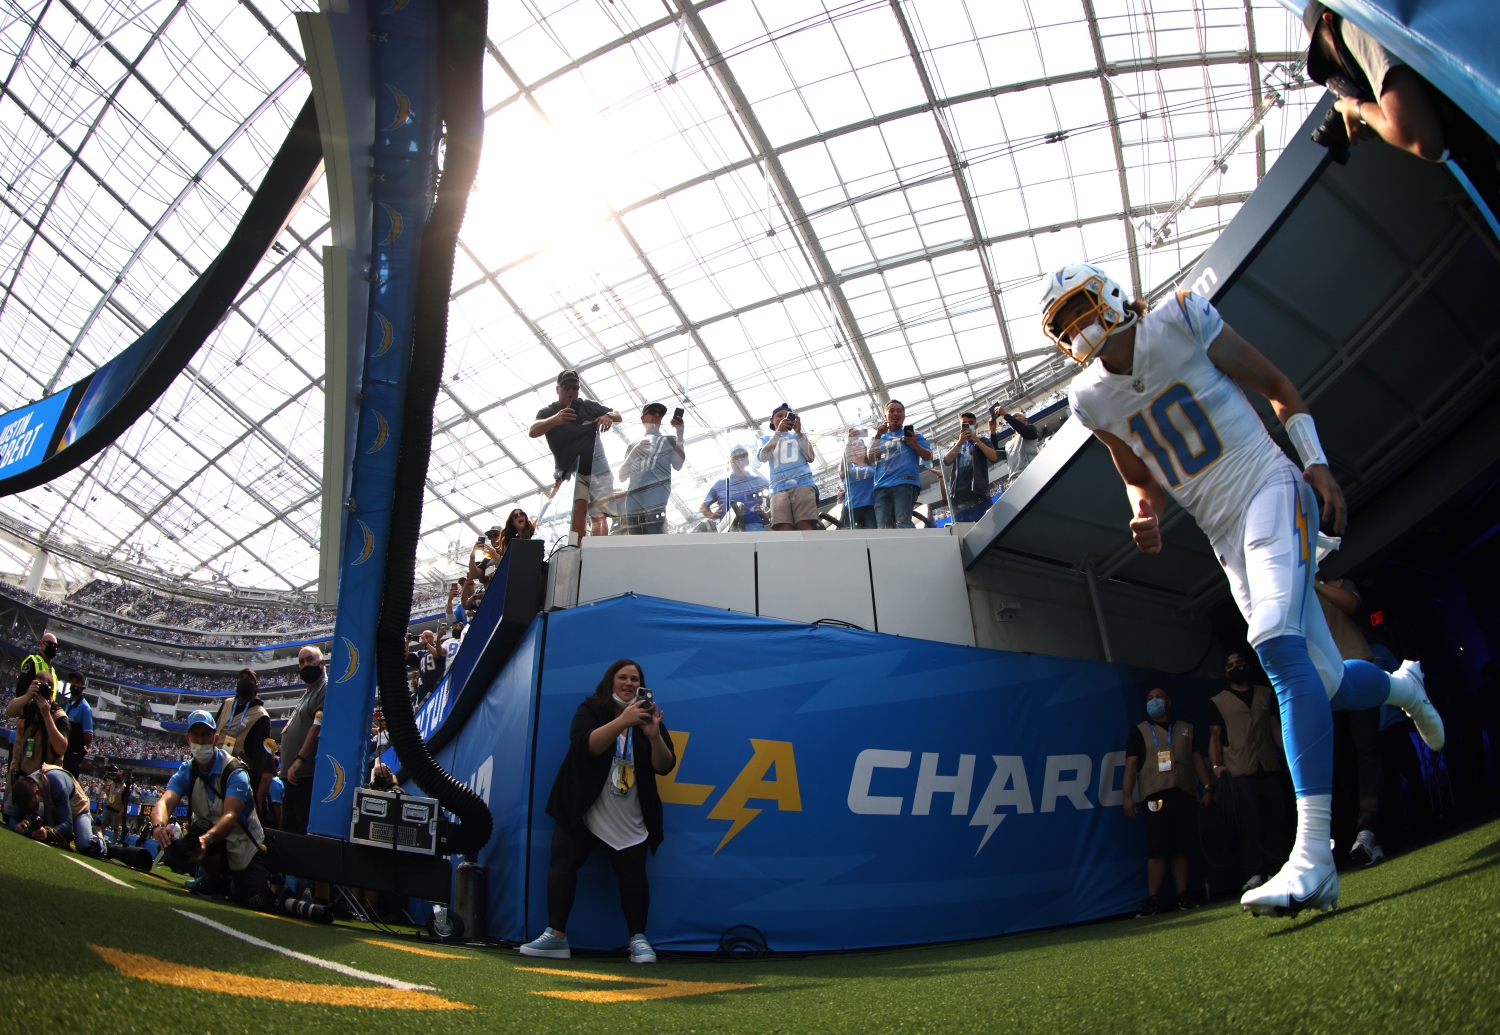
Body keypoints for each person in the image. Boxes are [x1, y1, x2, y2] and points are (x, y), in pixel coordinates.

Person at [1045, 261, 1444, 916]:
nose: (1078, 330)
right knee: (1331, 683)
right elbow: (1137, 471)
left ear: (1111, 298)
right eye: (1064, 325)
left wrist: (1314, 461)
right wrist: (1144, 511)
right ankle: (1403, 685)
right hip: (1222, 532)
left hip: (1267, 486)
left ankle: (1315, 857)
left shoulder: (1178, 317)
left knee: (1276, 650)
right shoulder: (1090, 398)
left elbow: (1279, 386)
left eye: (1081, 310)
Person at [520, 659, 676, 964]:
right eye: (623, 677)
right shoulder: (592, 708)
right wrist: (623, 720)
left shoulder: (649, 719)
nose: (629, 683)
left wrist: (654, 735)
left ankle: (638, 940)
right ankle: (556, 936)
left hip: (630, 814)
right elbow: (584, 745)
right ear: (611, 681)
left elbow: (665, 766)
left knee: (633, 875)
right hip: (584, 807)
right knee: (563, 862)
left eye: (635, 679)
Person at [150, 710, 276, 911]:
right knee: (200, 827)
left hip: (246, 850)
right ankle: (214, 880)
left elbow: (231, 816)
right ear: (188, 738)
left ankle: (241, 884)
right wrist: (158, 826)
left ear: (215, 738)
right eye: (195, 735)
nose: (200, 740)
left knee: (256, 900)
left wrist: (206, 839)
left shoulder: (234, 771)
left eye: (206, 735)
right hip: (212, 847)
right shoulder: (187, 770)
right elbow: (164, 802)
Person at [1316, 573, 1386, 867]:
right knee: (1344, 762)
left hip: (1356, 668)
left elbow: (1353, 605)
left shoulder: (1338, 584)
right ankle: (1361, 834)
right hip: (1327, 685)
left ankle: (1370, 830)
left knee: (1367, 749)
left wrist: (1316, 584)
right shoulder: (1295, 596)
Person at [1123, 687, 1212, 915]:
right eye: (1149, 698)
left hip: (1183, 792)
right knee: (1158, 848)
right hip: (1155, 795)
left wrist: (1208, 787)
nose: (1154, 701)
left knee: (1182, 846)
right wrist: (1127, 796)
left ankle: (1182, 896)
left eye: (1158, 697)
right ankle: (1153, 899)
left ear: (1169, 702)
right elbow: (1131, 766)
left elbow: (1197, 760)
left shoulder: (1185, 729)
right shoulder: (1139, 731)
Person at [1209, 652, 1292, 893]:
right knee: (1251, 821)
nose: (1237, 667)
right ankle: (1254, 873)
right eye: (1231, 665)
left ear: (1248, 666)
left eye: (1240, 663)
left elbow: (1275, 726)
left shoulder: (1265, 693)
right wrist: (1217, 766)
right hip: (1240, 770)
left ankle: (1279, 867)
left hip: (1268, 765)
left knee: (1276, 818)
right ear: (1226, 673)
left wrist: (1286, 754)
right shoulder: (1218, 701)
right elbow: (1215, 737)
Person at [530, 369, 622, 537]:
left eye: (575, 387)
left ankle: (596, 551)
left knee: (599, 515)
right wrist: (556, 419)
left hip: (597, 470)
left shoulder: (587, 406)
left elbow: (617, 414)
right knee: (578, 510)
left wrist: (608, 415)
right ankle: (577, 548)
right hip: (572, 473)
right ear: (558, 389)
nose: (571, 391)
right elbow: (533, 430)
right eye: (566, 387)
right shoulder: (548, 412)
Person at [9, 765, 152, 870]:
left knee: (84, 845)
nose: (32, 810)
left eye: (33, 806)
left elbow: (67, 826)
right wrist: (17, 825)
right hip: (54, 811)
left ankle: (101, 842)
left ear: (37, 792)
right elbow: (12, 817)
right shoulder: (24, 789)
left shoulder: (55, 782)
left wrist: (47, 833)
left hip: (77, 809)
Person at [280, 646, 326, 835]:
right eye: (301, 662)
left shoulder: (324, 688)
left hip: (305, 776)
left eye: (310, 659)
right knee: (288, 832)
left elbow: (317, 726)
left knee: (300, 833)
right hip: (292, 778)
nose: (305, 665)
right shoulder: (308, 693)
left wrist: (299, 758)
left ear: (322, 663)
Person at [864, 399, 932, 529]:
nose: (895, 413)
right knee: (883, 527)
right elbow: (870, 460)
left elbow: (928, 456)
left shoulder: (915, 436)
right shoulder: (877, 438)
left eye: (899, 411)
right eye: (892, 411)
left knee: (903, 522)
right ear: (885, 417)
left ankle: (912, 548)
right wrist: (878, 434)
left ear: (904, 416)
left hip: (905, 483)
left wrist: (915, 445)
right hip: (881, 487)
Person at [620, 403, 685, 535]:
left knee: (652, 527)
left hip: (656, 489)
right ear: (643, 418)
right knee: (634, 533)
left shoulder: (670, 440)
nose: (657, 415)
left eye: (660, 414)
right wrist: (633, 453)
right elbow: (621, 476)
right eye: (652, 412)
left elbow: (678, 464)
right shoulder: (633, 445)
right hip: (634, 494)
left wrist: (680, 434)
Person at [214, 668, 273, 807]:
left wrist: (252, 787)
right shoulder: (227, 703)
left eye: (249, 678)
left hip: (236, 772)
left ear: (256, 686)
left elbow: (259, 757)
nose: (243, 680)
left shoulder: (261, 716)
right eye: (241, 677)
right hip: (215, 765)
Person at [758, 403, 818, 532]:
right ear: (771, 420)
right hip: (778, 488)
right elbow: (762, 457)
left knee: (804, 524)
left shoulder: (798, 436)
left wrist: (799, 432)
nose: (783, 418)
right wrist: (778, 432)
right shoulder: (766, 438)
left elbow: (811, 457)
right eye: (779, 416)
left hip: (802, 484)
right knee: (784, 528)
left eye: (787, 416)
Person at [943, 412, 999, 523]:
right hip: (958, 496)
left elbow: (994, 458)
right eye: (964, 424)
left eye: (971, 423)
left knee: (987, 526)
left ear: (976, 425)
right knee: (965, 531)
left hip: (978, 493)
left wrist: (976, 439)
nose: (968, 425)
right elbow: (946, 461)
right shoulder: (957, 445)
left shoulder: (982, 441)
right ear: (960, 427)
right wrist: (960, 442)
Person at [700, 446, 769, 531]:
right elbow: (703, 506)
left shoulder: (758, 480)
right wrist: (711, 515)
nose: (739, 461)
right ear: (730, 462)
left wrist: (767, 514)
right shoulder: (721, 484)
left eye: (743, 457)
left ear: (747, 461)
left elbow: (775, 498)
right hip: (728, 528)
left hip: (753, 526)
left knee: (756, 544)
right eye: (735, 458)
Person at [841, 428, 878, 529]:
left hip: (871, 506)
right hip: (852, 508)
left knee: (872, 534)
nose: (857, 446)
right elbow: (843, 469)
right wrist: (849, 442)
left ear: (865, 449)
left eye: (860, 444)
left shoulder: (874, 467)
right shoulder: (848, 467)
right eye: (854, 444)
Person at [995, 403, 1041, 480]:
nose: (1013, 418)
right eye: (1012, 417)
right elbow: (995, 452)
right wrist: (993, 433)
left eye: (1016, 416)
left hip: (1029, 472)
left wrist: (1006, 415)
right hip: (1013, 478)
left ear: (1025, 419)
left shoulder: (1031, 429)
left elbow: (1021, 428)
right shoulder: (1008, 444)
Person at [61, 680, 93, 777]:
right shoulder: (69, 704)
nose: (74, 684)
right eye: (73, 682)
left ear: (82, 687)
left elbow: (88, 737)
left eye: (77, 682)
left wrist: (76, 739)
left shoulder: (85, 708)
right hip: (64, 750)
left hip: (73, 754)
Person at [407, 630, 446, 702]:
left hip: (438, 682)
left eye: (426, 637)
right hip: (425, 688)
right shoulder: (420, 653)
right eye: (422, 637)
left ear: (432, 638)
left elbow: (438, 655)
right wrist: (407, 643)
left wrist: (426, 643)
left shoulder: (438, 647)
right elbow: (406, 657)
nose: (423, 638)